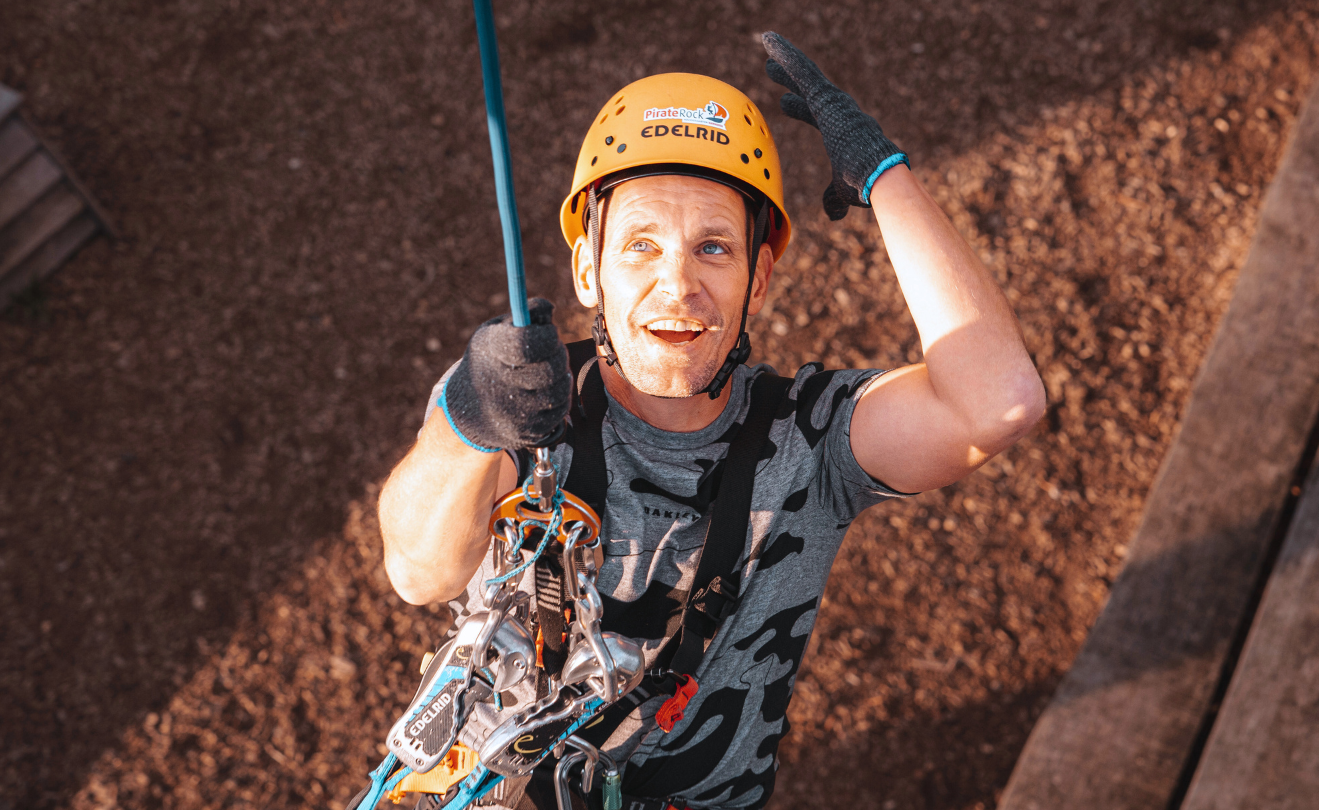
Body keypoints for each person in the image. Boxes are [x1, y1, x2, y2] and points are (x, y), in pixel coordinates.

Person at [378, 32, 1044, 810]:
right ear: (588, 270)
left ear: (758, 280)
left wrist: (885, 178)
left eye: (715, 248)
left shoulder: (809, 441)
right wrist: (464, 424)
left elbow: (998, 401)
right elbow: (418, 573)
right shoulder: (516, 402)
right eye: (640, 245)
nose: (678, 284)